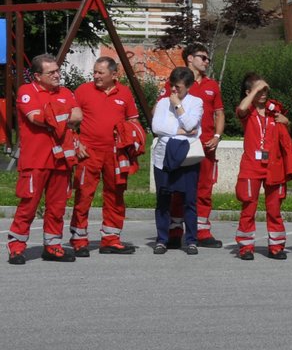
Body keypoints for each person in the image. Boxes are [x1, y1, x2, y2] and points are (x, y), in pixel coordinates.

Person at [8, 53, 82, 264]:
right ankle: (16, 247)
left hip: (61, 160)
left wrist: (54, 115)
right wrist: (62, 116)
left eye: (58, 70)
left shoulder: (66, 92)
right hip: (36, 160)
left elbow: (78, 116)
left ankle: (53, 246)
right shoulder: (26, 92)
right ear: (37, 76)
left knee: (57, 207)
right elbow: (36, 118)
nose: (58, 75)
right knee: (28, 205)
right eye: (52, 72)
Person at [70, 56, 142, 255]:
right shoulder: (83, 90)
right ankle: (79, 239)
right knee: (84, 195)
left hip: (116, 154)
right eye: (94, 72)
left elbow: (133, 119)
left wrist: (132, 139)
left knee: (115, 195)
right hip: (88, 153)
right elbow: (70, 122)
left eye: (100, 73)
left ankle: (110, 239)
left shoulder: (125, 93)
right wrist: (77, 142)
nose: (96, 76)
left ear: (113, 74)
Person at [162, 43, 224, 247]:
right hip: (181, 144)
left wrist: (217, 135)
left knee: (204, 188)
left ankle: (202, 232)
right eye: (203, 57)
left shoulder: (212, 85)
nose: (206, 61)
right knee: (178, 189)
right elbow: (164, 109)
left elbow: (219, 113)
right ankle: (175, 230)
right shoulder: (175, 82)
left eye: (207, 59)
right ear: (190, 59)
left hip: (205, 145)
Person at [233, 73, 292, 260]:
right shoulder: (248, 112)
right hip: (251, 166)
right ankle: (246, 247)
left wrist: (287, 123)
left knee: (274, 208)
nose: (263, 93)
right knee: (248, 206)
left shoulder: (274, 111)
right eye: (259, 90)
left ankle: (276, 246)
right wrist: (254, 91)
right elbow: (242, 107)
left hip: (273, 165)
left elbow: (285, 136)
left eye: (265, 90)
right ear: (249, 92)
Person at [151, 66, 203, 255]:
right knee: (163, 199)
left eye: (178, 87)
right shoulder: (163, 102)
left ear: (188, 86)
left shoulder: (196, 102)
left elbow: (191, 124)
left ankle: (191, 240)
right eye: (172, 86)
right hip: (163, 156)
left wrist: (178, 106)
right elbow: (156, 126)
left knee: (189, 200)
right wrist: (180, 130)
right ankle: (162, 239)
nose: (174, 90)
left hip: (187, 158)